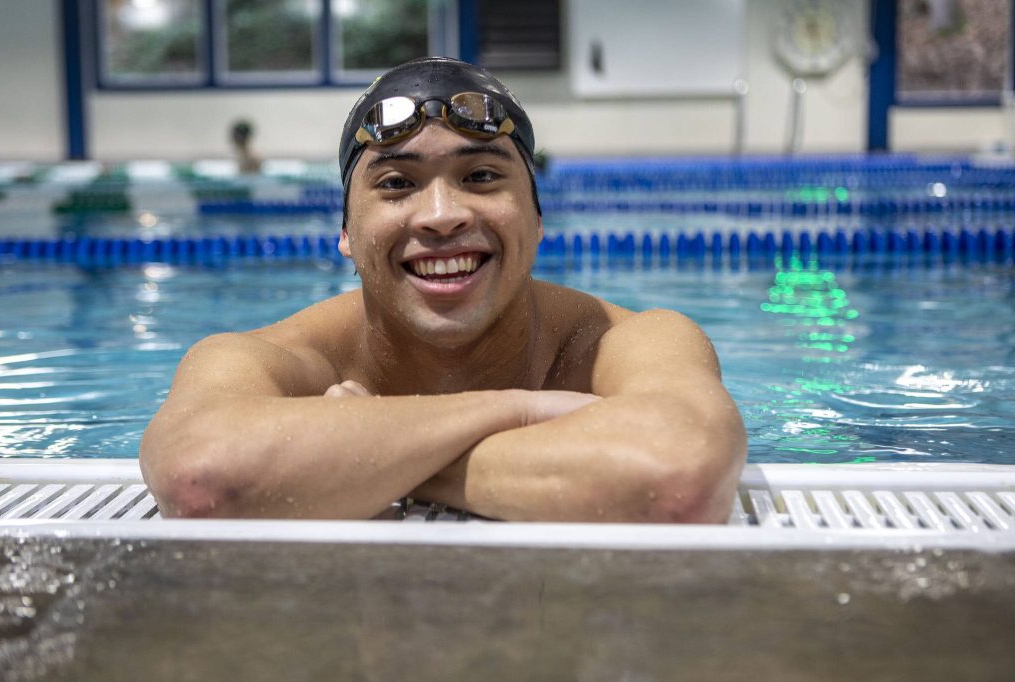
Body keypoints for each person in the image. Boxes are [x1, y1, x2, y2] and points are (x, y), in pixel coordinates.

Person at [140, 57, 746, 522]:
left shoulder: (630, 339)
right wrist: (519, 410)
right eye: (397, 183)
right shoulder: (268, 356)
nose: (441, 215)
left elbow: (681, 479)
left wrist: (362, 449)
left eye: (480, 176)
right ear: (346, 233)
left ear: (537, 220)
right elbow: (198, 480)